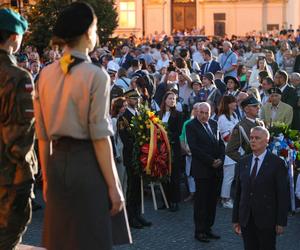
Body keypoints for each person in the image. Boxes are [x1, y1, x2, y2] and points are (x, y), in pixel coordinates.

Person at [33, 3, 131, 249]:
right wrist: (114, 186)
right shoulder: (96, 75)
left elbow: (42, 136)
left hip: (56, 166)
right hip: (87, 166)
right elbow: (99, 137)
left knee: (61, 241)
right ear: (89, 32)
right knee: (91, 240)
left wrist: (46, 178)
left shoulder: (45, 74)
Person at [0, 8, 38, 249]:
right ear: (14, 38)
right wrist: (27, 174)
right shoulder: (19, 76)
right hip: (9, 174)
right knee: (9, 234)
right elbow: (23, 133)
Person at [232, 126, 289, 250]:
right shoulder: (243, 162)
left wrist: (281, 222)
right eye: (251, 138)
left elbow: (283, 195)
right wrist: (236, 219)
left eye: (257, 138)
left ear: (266, 141)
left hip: (267, 219)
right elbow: (238, 193)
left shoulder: (277, 164)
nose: (253, 140)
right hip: (247, 218)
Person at [186, 102, 225, 243]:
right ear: (196, 112)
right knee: (201, 203)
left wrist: (221, 158)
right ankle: (199, 231)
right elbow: (194, 148)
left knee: (211, 202)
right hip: (202, 170)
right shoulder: (191, 126)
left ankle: (208, 228)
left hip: (216, 170)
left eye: (206, 113)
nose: (204, 115)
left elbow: (221, 143)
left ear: (210, 112)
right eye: (201, 112)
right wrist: (211, 161)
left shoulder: (214, 124)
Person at [118, 89, 152, 229]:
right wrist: (140, 145)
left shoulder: (140, 113)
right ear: (127, 99)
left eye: (137, 98)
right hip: (131, 156)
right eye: (133, 98)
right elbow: (126, 139)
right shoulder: (123, 117)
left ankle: (138, 214)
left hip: (141, 156)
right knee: (132, 187)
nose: (136, 100)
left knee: (139, 186)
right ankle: (130, 217)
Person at [159, 91, 183, 212]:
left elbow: (178, 132)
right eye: (170, 98)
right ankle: (165, 200)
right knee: (163, 174)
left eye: (174, 99)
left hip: (173, 148)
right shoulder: (159, 114)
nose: (172, 100)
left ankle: (175, 201)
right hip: (161, 149)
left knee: (174, 176)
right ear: (165, 100)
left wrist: (166, 135)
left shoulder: (178, 115)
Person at [226, 96, 264, 163]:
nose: (258, 108)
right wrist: (245, 160)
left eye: (258, 106)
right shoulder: (240, 126)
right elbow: (230, 150)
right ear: (246, 109)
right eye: (255, 106)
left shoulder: (260, 123)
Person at [218, 96, 239, 209]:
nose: (236, 104)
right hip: (228, 151)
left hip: (236, 150)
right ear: (228, 104)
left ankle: (229, 197)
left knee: (233, 176)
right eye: (233, 102)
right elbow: (226, 137)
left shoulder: (235, 115)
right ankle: (224, 199)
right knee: (228, 176)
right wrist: (237, 132)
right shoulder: (222, 118)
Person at [111, 97, 128, 195]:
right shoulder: (114, 120)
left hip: (123, 150)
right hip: (119, 151)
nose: (125, 108)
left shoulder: (122, 119)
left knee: (125, 178)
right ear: (118, 108)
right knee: (120, 178)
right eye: (123, 106)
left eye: (126, 106)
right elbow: (113, 138)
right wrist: (116, 154)